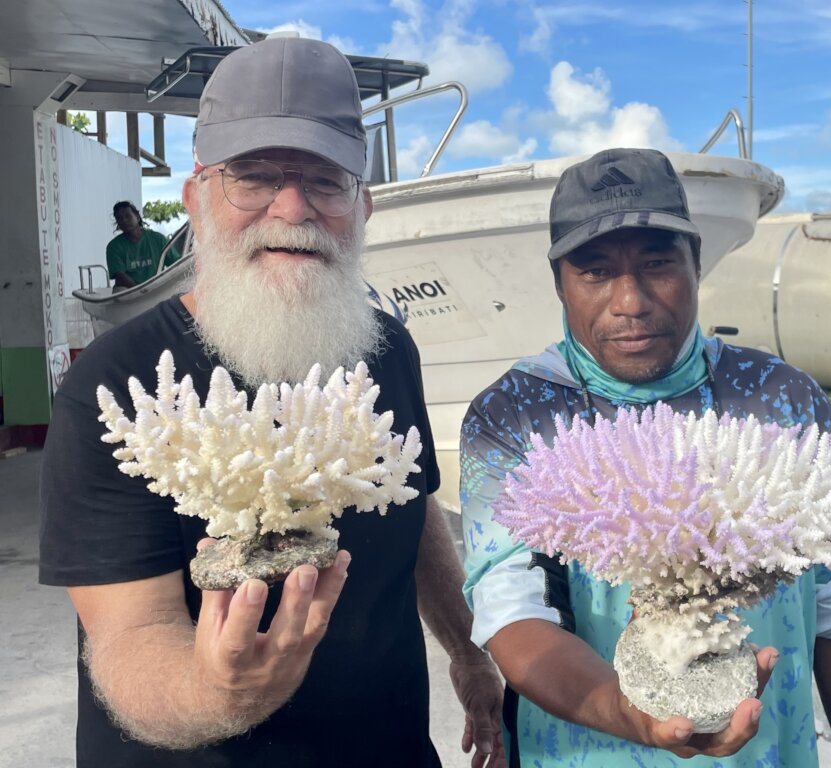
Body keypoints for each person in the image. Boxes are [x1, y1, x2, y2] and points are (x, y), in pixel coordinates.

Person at [40, 37, 504, 768]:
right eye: (252, 176)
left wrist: (470, 653)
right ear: (195, 199)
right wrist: (215, 691)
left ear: (364, 205)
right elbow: (126, 637)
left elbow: (414, 520)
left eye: (326, 181)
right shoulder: (114, 384)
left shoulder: (389, 348)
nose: (292, 208)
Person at [460, 148, 831, 767]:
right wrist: (624, 713)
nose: (631, 301)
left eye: (658, 264)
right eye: (596, 272)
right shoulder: (516, 412)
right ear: (559, 281)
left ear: (697, 265)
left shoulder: (781, 397)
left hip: (766, 748)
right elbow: (508, 604)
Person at [105, 201, 179, 288]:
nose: (124, 220)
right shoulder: (113, 246)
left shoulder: (158, 239)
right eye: (119, 218)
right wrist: (142, 291)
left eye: (127, 216)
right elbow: (120, 276)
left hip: (157, 288)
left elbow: (176, 264)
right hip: (128, 291)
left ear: (137, 217)